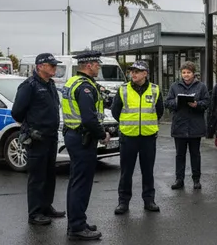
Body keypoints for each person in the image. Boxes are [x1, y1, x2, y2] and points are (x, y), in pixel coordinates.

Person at [11, 52, 64, 226]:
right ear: (40, 66)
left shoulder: (50, 84)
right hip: (37, 137)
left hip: (51, 136)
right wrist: (31, 127)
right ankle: (34, 213)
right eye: (51, 65)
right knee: (37, 177)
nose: (55, 67)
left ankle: (46, 206)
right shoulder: (29, 86)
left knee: (49, 175)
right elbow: (17, 112)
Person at [61, 50, 109, 242]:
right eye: (97, 64)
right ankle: (77, 227)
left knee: (75, 181)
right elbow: (89, 119)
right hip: (83, 138)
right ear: (88, 65)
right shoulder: (85, 87)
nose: (99, 67)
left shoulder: (73, 81)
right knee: (81, 183)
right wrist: (102, 134)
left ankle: (77, 221)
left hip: (74, 135)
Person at [111, 61, 163, 215]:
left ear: (145, 73)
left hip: (148, 137)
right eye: (132, 71)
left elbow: (159, 111)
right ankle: (123, 202)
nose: (133, 74)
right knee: (126, 172)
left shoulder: (154, 90)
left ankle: (149, 200)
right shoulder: (123, 90)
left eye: (137, 71)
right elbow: (115, 112)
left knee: (148, 171)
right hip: (128, 136)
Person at [165, 61, 209, 190]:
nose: (186, 75)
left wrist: (197, 105)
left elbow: (207, 102)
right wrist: (177, 102)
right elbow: (168, 102)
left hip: (195, 126)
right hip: (180, 126)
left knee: (195, 154)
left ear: (193, 73)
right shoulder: (174, 86)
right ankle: (179, 179)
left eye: (188, 72)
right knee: (180, 155)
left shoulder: (201, 86)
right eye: (184, 73)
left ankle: (196, 179)